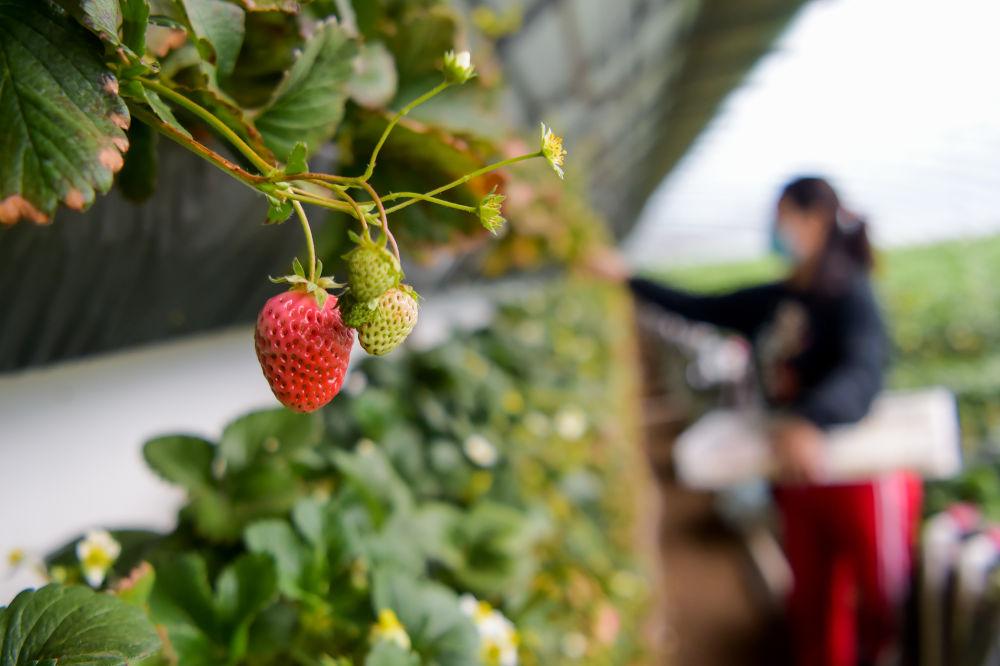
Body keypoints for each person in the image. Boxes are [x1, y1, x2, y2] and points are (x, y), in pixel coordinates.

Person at [589, 176, 922, 666]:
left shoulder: (849, 295)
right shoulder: (777, 300)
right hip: (794, 473)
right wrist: (627, 277)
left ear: (815, 220)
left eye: (784, 215)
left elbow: (863, 370)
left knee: (880, 604)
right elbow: (702, 305)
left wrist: (812, 419)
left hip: (856, 475)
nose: (776, 227)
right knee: (811, 596)